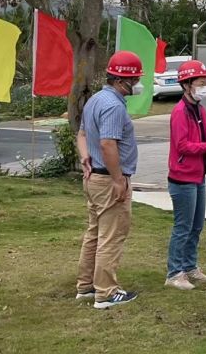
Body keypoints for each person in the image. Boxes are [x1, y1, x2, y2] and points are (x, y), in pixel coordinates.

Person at [76, 50, 144, 309]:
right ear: (120, 81)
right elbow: (107, 144)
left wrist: (84, 157)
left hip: (94, 177)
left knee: (94, 233)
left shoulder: (95, 100)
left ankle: (86, 286)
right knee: (111, 236)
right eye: (134, 79)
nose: (137, 84)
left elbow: (82, 134)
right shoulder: (114, 106)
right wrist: (118, 180)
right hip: (108, 179)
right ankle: (106, 292)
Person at [165, 60, 206, 290]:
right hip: (182, 179)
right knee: (183, 228)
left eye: (205, 83)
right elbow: (183, 146)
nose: (203, 87)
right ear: (187, 85)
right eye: (200, 83)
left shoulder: (199, 109)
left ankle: (189, 267)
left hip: (198, 177)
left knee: (196, 226)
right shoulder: (180, 112)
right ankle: (174, 273)